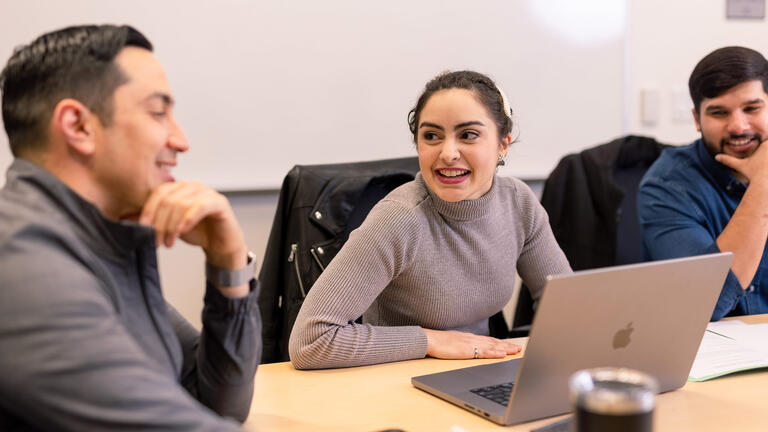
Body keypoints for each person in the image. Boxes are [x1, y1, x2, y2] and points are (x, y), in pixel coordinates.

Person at [0, 25, 261, 430]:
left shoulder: (102, 243)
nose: (181, 140)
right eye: (158, 113)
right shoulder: (20, 261)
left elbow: (218, 404)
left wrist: (228, 264)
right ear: (78, 126)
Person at [289, 70, 571, 369]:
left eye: (468, 135)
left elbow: (568, 306)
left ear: (503, 144)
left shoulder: (518, 203)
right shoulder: (399, 218)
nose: (448, 153)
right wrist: (431, 340)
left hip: (481, 374)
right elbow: (311, 341)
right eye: (432, 136)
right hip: (394, 384)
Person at [638, 46, 768, 321]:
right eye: (719, 113)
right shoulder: (666, 186)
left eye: (751, 108)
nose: (738, 126)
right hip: (712, 352)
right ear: (697, 120)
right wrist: (762, 184)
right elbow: (706, 303)